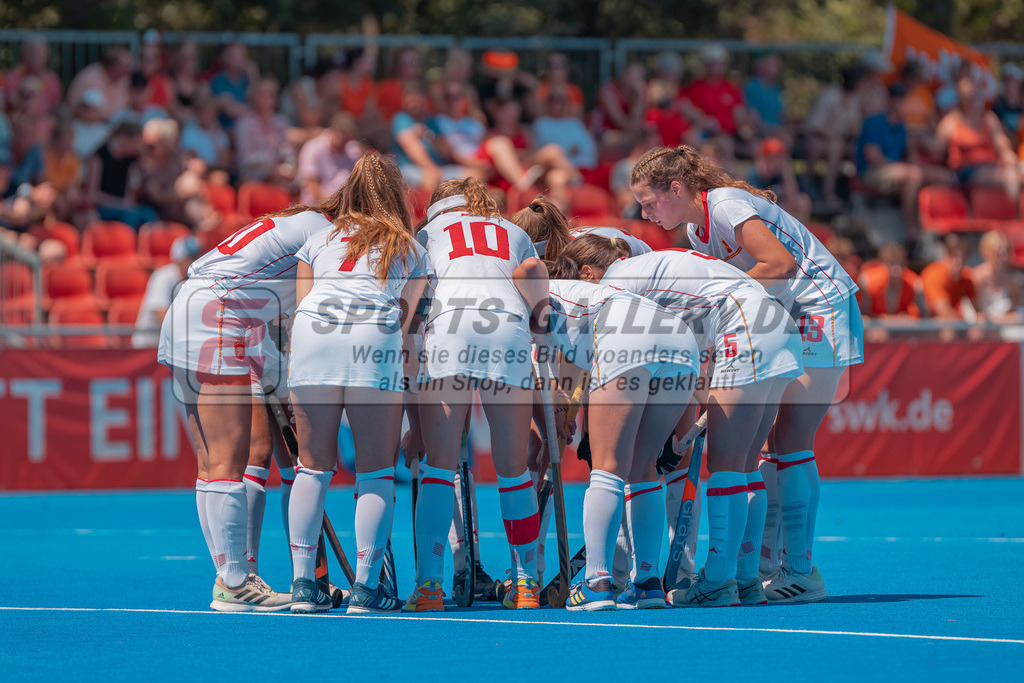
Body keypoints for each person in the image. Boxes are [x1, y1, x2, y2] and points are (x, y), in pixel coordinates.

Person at [629, 144, 864, 603]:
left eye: (650, 201)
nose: (645, 211)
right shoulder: (698, 233)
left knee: (790, 440)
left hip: (818, 307)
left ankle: (800, 571)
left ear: (677, 189)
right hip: (779, 317)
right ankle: (765, 567)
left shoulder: (725, 206)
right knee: (763, 446)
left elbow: (779, 265)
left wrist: (726, 300)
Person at [557, 235, 803, 607]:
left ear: (588, 273)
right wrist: (674, 436)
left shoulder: (613, 285)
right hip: (777, 325)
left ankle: (709, 580)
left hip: (743, 327)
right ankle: (741, 579)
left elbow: (621, 347)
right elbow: (683, 363)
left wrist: (585, 424)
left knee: (722, 466)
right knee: (745, 466)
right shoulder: (658, 276)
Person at [157, 175, 344, 612]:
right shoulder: (326, 237)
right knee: (227, 462)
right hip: (216, 316)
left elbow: (261, 319)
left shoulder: (295, 224)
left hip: (188, 308)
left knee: (210, 464)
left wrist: (277, 380)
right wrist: (288, 383)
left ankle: (233, 577)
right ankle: (235, 583)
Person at [286, 154, 428, 613]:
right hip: (372, 336)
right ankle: (366, 588)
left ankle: (304, 585)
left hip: (313, 335)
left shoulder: (319, 239)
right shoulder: (407, 244)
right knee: (375, 470)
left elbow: (302, 304)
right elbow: (407, 326)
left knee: (313, 467)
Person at [403, 178, 548, 611]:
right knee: (513, 468)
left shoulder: (426, 235)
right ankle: (525, 583)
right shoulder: (515, 232)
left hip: (450, 325)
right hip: (506, 326)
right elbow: (534, 282)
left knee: (439, 466)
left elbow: (414, 304)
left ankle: (429, 585)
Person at [530, 253, 700, 611]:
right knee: (644, 469)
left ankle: (596, 582)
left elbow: (545, 383)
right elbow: (565, 386)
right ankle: (648, 584)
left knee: (607, 468)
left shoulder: (525, 297)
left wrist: (551, 431)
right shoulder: (575, 297)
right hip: (682, 342)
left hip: (626, 335)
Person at [935, 78, 1020, 203]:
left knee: (1013, 173)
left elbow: (1000, 141)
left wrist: (1007, 154)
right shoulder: (951, 121)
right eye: (967, 97)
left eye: (973, 96)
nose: (971, 101)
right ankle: (1017, 214)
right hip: (966, 170)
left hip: (992, 165)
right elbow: (937, 147)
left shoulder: (989, 118)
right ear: (960, 98)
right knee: (1007, 177)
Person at [133, 235, 203, 347]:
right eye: (190, 258)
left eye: (197, 257)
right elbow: (161, 315)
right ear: (179, 259)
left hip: (174, 345)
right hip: (149, 344)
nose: (194, 262)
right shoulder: (163, 276)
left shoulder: (197, 280)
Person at [857, 243, 927, 341]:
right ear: (883, 264)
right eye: (892, 264)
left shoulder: (914, 283)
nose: (897, 269)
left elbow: (924, 316)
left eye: (901, 264)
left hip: (902, 329)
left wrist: (909, 321)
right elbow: (863, 314)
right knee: (869, 327)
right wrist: (890, 320)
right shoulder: (868, 281)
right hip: (876, 327)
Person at [234, 78, 295, 186]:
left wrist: (289, 165)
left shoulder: (281, 121)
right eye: (265, 94)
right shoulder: (245, 123)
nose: (270, 98)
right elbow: (245, 158)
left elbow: (287, 150)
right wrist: (272, 168)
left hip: (279, 174)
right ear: (254, 97)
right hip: (254, 177)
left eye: (273, 94)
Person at [296, 112, 363, 205]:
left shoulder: (352, 150)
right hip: (316, 206)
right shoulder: (312, 149)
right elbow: (311, 185)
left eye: (348, 140)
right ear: (333, 132)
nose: (344, 144)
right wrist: (330, 205)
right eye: (343, 140)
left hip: (345, 206)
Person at [67, 46, 132, 121]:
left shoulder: (125, 80)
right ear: (113, 66)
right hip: (90, 127)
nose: (129, 70)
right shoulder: (90, 78)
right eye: (126, 66)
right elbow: (75, 108)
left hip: (118, 127)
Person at [972, 230, 1022, 324]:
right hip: (983, 328)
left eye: (1006, 250)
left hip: (1005, 326)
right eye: (999, 251)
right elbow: (975, 312)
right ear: (988, 252)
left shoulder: (1011, 280)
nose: (1004, 256)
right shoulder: (977, 277)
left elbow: (1015, 308)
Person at [4, 36, 62, 115]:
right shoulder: (12, 77)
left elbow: (56, 106)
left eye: (40, 52)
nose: (35, 56)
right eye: (32, 52)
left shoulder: (51, 79)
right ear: (23, 54)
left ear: (47, 55)